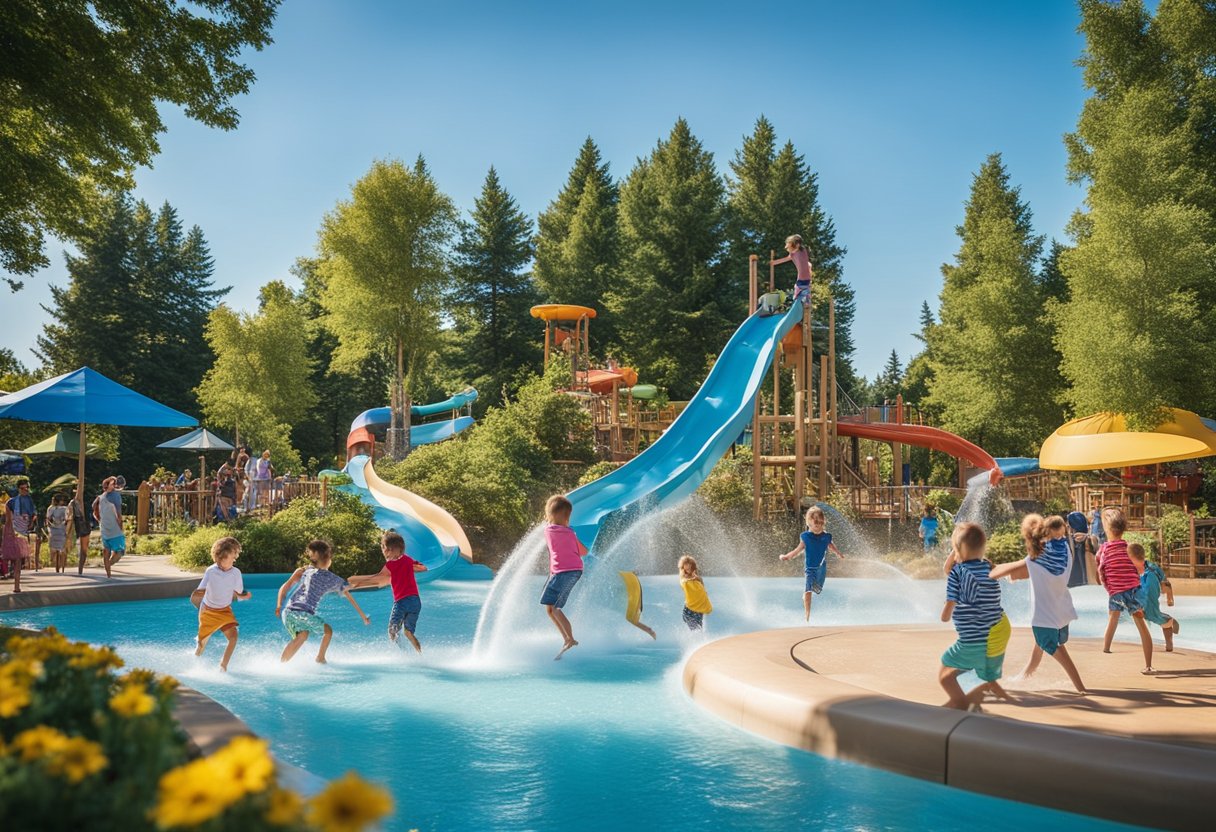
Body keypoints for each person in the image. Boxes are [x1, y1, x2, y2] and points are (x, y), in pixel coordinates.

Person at [990, 514, 1086, 693]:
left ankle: (1081, 687)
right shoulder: (1064, 548)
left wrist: (987, 573)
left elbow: (1014, 570)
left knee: (1052, 647)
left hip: (1045, 615)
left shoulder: (1038, 557)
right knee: (1040, 644)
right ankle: (1025, 675)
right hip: (1062, 612)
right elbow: (1029, 571)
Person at [939, 522, 1010, 710]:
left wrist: (945, 616)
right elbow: (949, 569)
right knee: (984, 671)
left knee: (945, 674)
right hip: (998, 631)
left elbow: (949, 602)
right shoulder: (988, 566)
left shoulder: (958, 573)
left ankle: (962, 705)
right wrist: (958, 550)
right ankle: (1000, 694)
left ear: (957, 550)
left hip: (976, 638)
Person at [275, 540, 370, 664]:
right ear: (328, 559)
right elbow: (349, 591)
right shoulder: (332, 578)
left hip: (288, 613)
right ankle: (320, 658)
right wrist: (363, 615)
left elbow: (285, 586)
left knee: (303, 635)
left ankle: (281, 665)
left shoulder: (304, 570)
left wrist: (278, 605)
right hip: (301, 614)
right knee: (328, 631)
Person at [1096, 508, 1155, 674]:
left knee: (1113, 618)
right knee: (1141, 625)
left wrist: (1109, 589)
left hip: (1116, 592)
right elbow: (1140, 569)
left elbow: (1102, 571)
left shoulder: (1104, 549)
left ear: (1106, 528)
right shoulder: (1129, 548)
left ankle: (1106, 648)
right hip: (1132, 591)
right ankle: (1148, 665)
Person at [349, 530, 428, 653]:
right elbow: (423, 568)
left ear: (391, 550)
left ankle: (404, 654)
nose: (384, 552)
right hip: (415, 601)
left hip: (401, 602)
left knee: (392, 632)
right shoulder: (408, 560)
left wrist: (356, 584)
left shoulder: (390, 565)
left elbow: (377, 578)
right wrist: (409, 567)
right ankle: (419, 654)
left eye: (385, 548)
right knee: (408, 632)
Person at [192, 536, 251, 672]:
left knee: (233, 637)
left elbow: (237, 592)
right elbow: (200, 591)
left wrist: (244, 596)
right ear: (221, 557)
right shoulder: (211, 571)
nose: (234, 559)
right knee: (202, 644)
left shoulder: (236, 573)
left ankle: (223, 666)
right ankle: (195, 660)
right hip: (208, 610)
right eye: (232, 556)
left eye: (235, 556)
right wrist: (196, 600)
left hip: (224, 610)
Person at [540, 494, 588, 660]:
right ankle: (567, 639)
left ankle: (570, 639)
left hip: (567, 571)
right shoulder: (570, 533)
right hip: (568, 571)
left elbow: (551, 523)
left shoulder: (548, 530)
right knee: (549, 608)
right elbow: (584, 552)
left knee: (555, 608)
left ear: (549, 515)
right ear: (567, 517)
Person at [779, 505, 845, 622]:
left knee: (817, 589)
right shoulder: (806, 537)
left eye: (820, 522)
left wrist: (838, 553)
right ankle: (807, 617)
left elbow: (831, 546)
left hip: (821, 568)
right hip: (810, 569)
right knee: (808, 590)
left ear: (823, 523)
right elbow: (797, 550)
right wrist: (787, 556)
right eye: (815, 522)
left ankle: (806, 597)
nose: (817, 524)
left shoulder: (826, 536)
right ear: (809, 522)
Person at [1127, 542, 1180, 653]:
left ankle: (1170, 621)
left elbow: (1164, 582)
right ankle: (1169, 639)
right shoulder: (1138, 568)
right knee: (1146, 613)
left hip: (1151, 590)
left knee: (1150, 613)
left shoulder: (1151, 571)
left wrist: (1170, 597)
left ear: (1132, 557)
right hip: (1145, 590)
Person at [93, 477, 125, 578]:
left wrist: (99, 518)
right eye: (112, 484)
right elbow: (118, 514)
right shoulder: (110, 496)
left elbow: (94, 507)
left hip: (109, 527)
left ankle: (108, 569)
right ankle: (108, 572)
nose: (114, 485)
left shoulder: (107, 496)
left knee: (114, 551)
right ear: (106, 485)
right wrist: (121, 525)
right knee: (113, 551)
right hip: (110, 528)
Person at [770, 233, 813, 306]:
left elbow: (798, 240)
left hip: (806, 278)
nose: (789, 250)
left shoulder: (802, 250)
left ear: (797, 245)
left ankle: (806, 299)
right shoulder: (792, 255)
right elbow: (785, 259)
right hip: (801, 279)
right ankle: (801, 299)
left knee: (800, 288)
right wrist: (774, 263)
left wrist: (809, 266)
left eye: (790, 248)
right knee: (798, 288)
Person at [678, 555, 713, 631]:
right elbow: (683, 582)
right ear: (683, 567)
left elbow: (703, 591)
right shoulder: (683, 578)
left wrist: (697, 579)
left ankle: (700, 639)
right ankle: (695, 637)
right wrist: (691, 579)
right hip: (689, 607)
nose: (688, 568)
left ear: (692, 566)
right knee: (690, 623)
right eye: (686, 566)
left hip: (699, 608)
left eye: (689, 565)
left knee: (698, 627)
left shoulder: (698, 578)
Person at [1066, 511, 1099, 587]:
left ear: (1072, 527)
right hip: (1091, 583)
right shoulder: (1092, 540)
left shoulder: (1067, 541)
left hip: (1072, 583)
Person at [46, 494, 70, 574]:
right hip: (62, 529)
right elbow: (66, 520)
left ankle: (56, 565)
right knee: (62, 549)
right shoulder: (65, 509)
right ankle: (62, 567)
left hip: (53, 530)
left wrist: (50, 527)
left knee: (54, 548)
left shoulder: (50, 509)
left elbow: (48, 519)